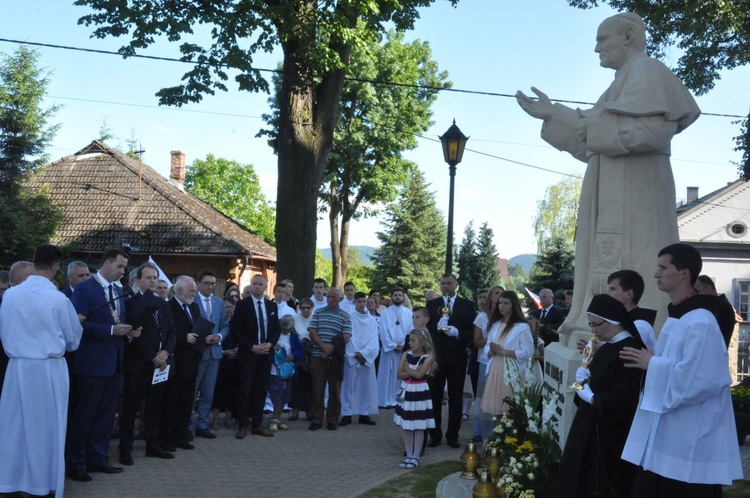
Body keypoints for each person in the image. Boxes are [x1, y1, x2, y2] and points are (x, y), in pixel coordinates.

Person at [516, 12, 701, 335]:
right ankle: (592, 325)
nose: (596, 49)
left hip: (639, 191)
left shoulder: (650, 72)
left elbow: (653, 132)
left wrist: (594, 126)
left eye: (602, 39)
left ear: (628, 36)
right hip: (609, 187)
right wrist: (554, 114)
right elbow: (589, 143)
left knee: (634, 256)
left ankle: (633, 328)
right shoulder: (619, 84)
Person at [620, 243, 743, 494]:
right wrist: (656, 360)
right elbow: (683, 364)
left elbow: (703, 378)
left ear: (685, 273)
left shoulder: (701, 320)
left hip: (691, 434)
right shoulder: (680, 316)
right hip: (673, 429)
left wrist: (652, 363)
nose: (656, 274)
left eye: (663, 267)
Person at [0, 244, 82, 497]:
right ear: (56, 267)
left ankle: (11, 481)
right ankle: (43, 482)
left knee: (15, 426)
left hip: (17, 368)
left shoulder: (11, 295)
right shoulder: (58, 298)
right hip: (48, 370)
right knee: (48, 428)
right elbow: (72, 340)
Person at [554, 294, 645, 498]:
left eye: (596, 325)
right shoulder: (608, 347)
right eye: (591, 325)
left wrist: (593, 398)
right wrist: (584, 382)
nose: (593, 331)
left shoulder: (629, 349)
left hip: (608, 434)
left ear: (613, 321)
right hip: (590, 425)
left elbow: (625, 399)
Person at [68, 248, 135, 482]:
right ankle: (76, 463)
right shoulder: (85, 288)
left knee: (106, 415)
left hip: (114, 361)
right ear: (106, 264)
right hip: (91, 363)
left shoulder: (117, 290)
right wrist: (110, 330)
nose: (122, 272)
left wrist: (128, 331)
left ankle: (98, 458)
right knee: (84, 414)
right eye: (119, 267)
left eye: (124, 268)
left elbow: (118, 320)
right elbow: (76, 324)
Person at [118, 263, 176, 465]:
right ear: (138, 280)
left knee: (154, 407)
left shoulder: (163, 303)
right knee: (131, 408)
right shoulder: (131, 303)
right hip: (138, 364)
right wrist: (153, 355)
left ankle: (153, 445)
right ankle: (125, 448)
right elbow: (136, 334)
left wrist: (165, 352)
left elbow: (171, 332)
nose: (152, 281)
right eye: (149, 277)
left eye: (155, 277)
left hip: (159, 364)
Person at [426, 273, 476, 448]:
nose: (446, 286)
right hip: (437, 358)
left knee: (456, 398)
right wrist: (436, 327)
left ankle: (453, 435)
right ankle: (435, 434)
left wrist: (458, 333)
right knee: (435, 397)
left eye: (449, 283)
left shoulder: (467, 305)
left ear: (456, 284)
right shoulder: (432, 304)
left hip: (457, 358)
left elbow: (472, 332)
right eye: (443, 283)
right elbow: (425, 327)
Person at [231, 274, 280, 439]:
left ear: (265, 287)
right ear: (250, 286)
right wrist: (252, 346)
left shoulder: (271, 306)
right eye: (255, 284)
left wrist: (270, 344)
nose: (257, 286)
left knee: (260, 390)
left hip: (265, 355)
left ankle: (258, 424)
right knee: (245, 390)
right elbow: (235, 331)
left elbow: (277, 330)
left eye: (260, 284)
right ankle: (243, 425)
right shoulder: (242, 305)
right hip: (248, 355)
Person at [162, 275, 203, 451]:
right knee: (171, 402)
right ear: (179, 291)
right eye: (191, 290)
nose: (194, 293)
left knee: (186, 402)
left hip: (191, 363)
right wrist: (182, 337)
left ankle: (181, 435)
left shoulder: (194, 307)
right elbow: (165, 333)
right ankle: (167, 438)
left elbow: (197, 328)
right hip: (175, 363)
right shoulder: (168, 307)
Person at [480, 291, 534, 419]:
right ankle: (499, 437)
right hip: (496, 368)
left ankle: (511, 437)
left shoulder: (522, 327)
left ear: (513, 305)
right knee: (497, 409)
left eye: (506, 303)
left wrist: (502, 351)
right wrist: (491, 351)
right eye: (500, 303)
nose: (501, 306)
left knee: (510, 409)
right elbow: (487, 347)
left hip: (512, 370)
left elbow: (527, 352)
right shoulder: (495, 325)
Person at [192, 269, 230, 439]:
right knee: (192, 391)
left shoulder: (219, 303)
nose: (209, 287)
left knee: (208, 392)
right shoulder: (192, 301)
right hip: (197, 352)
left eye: (212, 284)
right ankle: (186, 424)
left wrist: (219, 336)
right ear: (198, 283)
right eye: (206, 283)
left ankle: (202, 424)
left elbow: (225, 325)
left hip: (214, 353)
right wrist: (201, 338)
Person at [308, 287, 352, 431]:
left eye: (334, 297)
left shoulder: (345, 316)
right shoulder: (318, 312)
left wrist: (330, 348)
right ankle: (316, 419)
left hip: (335, 359)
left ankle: (332, 420)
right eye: (329, 297)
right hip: (317, 357)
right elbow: (312, 332)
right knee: (317, 390)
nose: (331, 300)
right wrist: (323, 346)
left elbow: (346, 336)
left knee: (335, 391)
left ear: (340, 299)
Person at [394, 328, 436, 470]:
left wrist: (408, 370)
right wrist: (411, 371)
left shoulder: (428, 357)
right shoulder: (406, 354)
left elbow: (420, 375)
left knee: (418, 425)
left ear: (422, 341)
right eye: (409, 340)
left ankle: (416, 456)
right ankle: (409, 454)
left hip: (419, 391)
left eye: (413, 340)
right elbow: (399, 374)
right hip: (407, 389)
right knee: (407, 425)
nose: (410, 343)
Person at [340, 292, 380, 426]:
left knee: (365, 386)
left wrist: (365, 354)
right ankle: (347, 414)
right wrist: (356, 353)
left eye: (364, 301)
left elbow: (374, 339)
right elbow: (349, 337)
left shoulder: (371, 320)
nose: (362, 304)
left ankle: (364, 413)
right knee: (349, 386)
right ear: (354, 302)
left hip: (366, 358)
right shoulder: (349, 318)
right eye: (360, 302)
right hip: (353, 356)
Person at [472, 285, 504, 441]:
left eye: (502, 294)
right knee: (483, 398)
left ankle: (499, 433)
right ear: (491, 296)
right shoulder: (482, 317)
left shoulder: (506, 317)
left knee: (500, 398)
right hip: (486, 361)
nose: (499, 296)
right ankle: (482, 433)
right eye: (497, 293)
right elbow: (476, 341)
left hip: (503, 361)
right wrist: (492, 342)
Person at [377, 288, 413, 409]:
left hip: (402, 349)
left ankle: (398, 399)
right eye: (395, 295)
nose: (398, 297)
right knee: (386, 374)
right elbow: (383, 330)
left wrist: (404, 344)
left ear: (403, 298)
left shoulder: (408, 313)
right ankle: (384, 400)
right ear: (391, 297)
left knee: (400, 374)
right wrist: (392, 345)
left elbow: (410, 330)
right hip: (389, 349)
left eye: (400, 295)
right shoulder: (385, 313)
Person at [607, 270, 657, 350]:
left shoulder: (640, 326)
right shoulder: (622, 321)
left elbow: (626, 356)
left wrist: (601, 349)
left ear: (629, 294)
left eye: (612, 289)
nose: (607, 294)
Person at [269, 315, 303, 432]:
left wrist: (294, 355)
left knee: (285, 394)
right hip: (275, 369)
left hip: (288, 369)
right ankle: (274, 418)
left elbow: (300, 349)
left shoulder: (293, 336)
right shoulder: (274, 335)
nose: (285, 331)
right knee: (277, 393)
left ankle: (278, 419)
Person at [695, 274, 739, 347]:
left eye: (697, 290)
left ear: (708, 288)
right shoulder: (718, 304)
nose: (696, 294)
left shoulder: (721, 306)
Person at [289, 298, 314, 422]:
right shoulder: (294, 318)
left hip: (311, 355)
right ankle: (295, 411)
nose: (305, 310)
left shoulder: (315, 318)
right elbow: (292, 335)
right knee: (297, 384)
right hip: (298, 354)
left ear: (312, 308)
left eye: (308, 307)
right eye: (303, 307)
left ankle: (310, 410)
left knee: (310, 384)